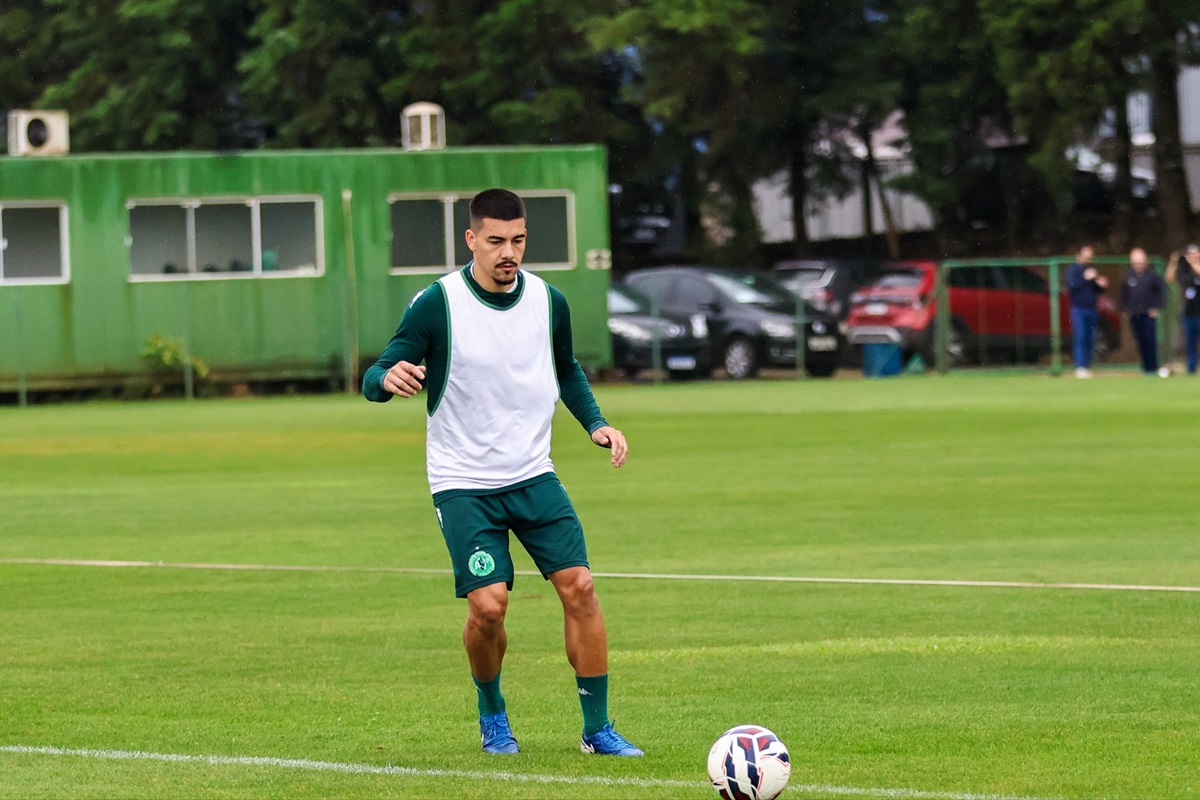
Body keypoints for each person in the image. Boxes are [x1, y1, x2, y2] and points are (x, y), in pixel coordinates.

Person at [362, 188, 644, 757]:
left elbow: (566, 369)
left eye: (517, 240)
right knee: (489, 606)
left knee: (582, 589)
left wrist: (597, 423)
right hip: (464, 483)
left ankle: (598, 730)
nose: (507, 252)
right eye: (495, 241)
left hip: (534, 474)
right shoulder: (437, 303)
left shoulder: (548, 300)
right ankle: (493, 715)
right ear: (471, 240)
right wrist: (386, 382)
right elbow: (378, 369)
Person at [1119, 247, 1168, 377]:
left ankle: (1153, 366)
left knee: (1150, 340)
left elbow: (1161, 292)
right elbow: (1124, 294)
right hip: (1135, 313)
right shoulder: (1128, 275)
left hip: (1148, 313)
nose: (1138, 265)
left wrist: (1156, 307)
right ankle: (1146, 367)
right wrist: (1126, 309)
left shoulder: (1152, 276)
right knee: (1140, 341)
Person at [1064, 245, 1108, 378]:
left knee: (1091, 338)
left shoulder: (1091, 269)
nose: (1088, 259)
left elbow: (1096, 290)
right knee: (1081, 337)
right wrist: (1085, 278)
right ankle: (1080, 366)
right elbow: (1071, 287)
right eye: (1086, 256)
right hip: (1078, 308)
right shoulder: (1073, 270)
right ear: (1079, 255)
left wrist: (1101, 285)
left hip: (1092, 309)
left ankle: (1087, 366)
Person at [1170, 244, 1200, 374]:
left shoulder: (1195, 267)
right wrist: (1173, 262)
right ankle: (1191, 369)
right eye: (1190, 254)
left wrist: (1193, 262)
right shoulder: (1185, 270)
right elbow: (1169, 279)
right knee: (1190, 343)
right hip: (1188, 313)